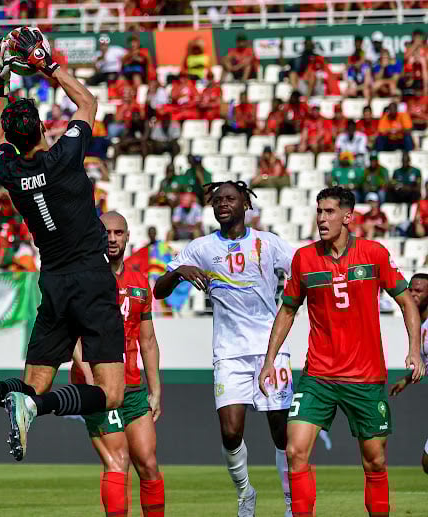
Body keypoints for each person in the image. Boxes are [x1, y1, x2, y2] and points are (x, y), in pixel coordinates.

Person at [0, 27, 126, 462]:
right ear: (42, 129)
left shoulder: (9, 173)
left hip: (53, 282)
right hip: (91, 277)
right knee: (111, 394)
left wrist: (1, 82)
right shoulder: (65, 156)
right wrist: (45, 64)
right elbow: (87, 102)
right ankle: (34, 408)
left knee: (35, 379)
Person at [258, 186, 425, 517]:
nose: (321, 218)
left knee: (375, 461)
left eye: (329, 212)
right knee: (295, 451)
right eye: (319, 211)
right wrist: (269, 360)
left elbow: (406, 300)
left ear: (348, 217)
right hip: (318, 377)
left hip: (365, 378)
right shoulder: (304, 259)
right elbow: (288, 310)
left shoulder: (373, 253)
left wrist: (415, 351)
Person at [154, 181, 295, 517]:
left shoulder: (268, 243)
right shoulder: (200, 247)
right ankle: (246, 493)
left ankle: (292, 500)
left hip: (270, 350)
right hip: (228, 352)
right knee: (231, 432)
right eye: (217, 200)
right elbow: (158, 290)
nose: (223, 205)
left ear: (246, 203)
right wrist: (179, 273)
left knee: (281, 430)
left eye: (230, 199)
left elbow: (302, 272)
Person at [70, 211, 165, 517]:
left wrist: (156, 391)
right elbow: (73, 338)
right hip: (100, 388)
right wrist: (91, 380)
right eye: (106, 232)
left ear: (127, 236)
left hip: (134, 388)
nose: (112, 239)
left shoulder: (140, 282)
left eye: (118, 233)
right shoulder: (82, 277)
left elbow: (148, 341)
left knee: (149, 464)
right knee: (117, 460)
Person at [389, 274, 428, 476]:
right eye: (410, 289)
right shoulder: (419, 326)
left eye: (419, 290)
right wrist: (406, 380)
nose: (413, 294)